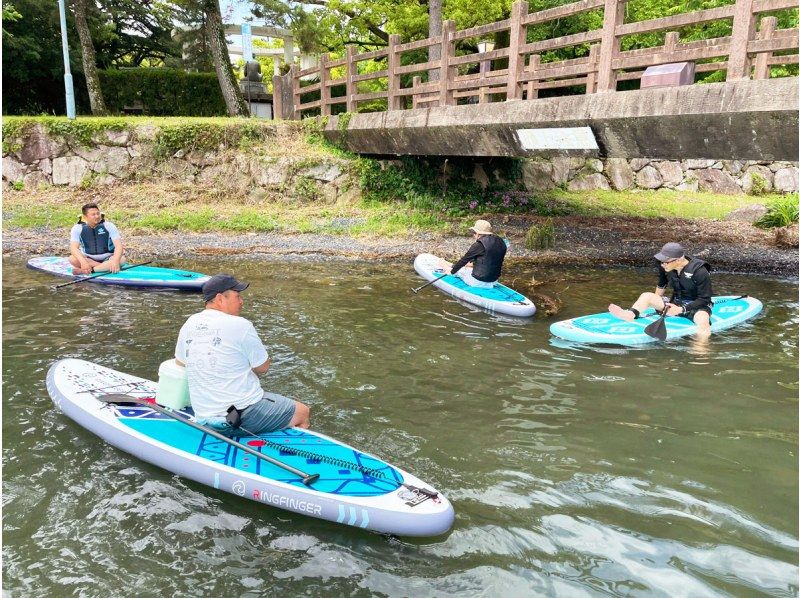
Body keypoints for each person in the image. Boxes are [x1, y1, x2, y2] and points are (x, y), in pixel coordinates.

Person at [175, 274, 310, 436]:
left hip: (204, 416)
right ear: (220, 298)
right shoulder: (240, 325)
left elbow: (181, 362)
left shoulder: (189, 323)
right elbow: (263, 367)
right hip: (239, 418)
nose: (241, 301)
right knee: (303, 411)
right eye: (237, 296)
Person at [608, 242, 713, 338]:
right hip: (674, 304)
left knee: (703, 321)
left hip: (697, 306)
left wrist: (681, 310)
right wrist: (655, 303)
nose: (662, 264)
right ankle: (630, 315)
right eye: (661, 261)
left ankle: (699, 350)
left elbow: (705, 299)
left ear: (678, 260)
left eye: (666, 262)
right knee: (646, 296)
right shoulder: (664, 265)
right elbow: (662, 283)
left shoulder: (700, 271)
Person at [438, 219, 507, 288]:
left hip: (477, 282)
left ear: (478, 233)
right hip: (494, 281)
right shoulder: (501, 242)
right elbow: (486, 261)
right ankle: (451, 265)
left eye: (474, 232)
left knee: (460, 271)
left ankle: (446, 267)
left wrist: (451, 272)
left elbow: (464, 260)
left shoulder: (479, 244)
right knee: (468, 266)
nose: (473, 235)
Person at [68, 202, 125, 275]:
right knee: (72, 259)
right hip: (89, 259)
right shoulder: (77, 228)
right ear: (85, 217)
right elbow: (73, 248)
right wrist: (83, 262)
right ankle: (105, 267)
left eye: (98, 213)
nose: (97, 216)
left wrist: (115, 260)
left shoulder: (109, 226)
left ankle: (91, 270)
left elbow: (118, 246)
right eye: (93, 214)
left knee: (122, 260)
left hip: (108, 257)